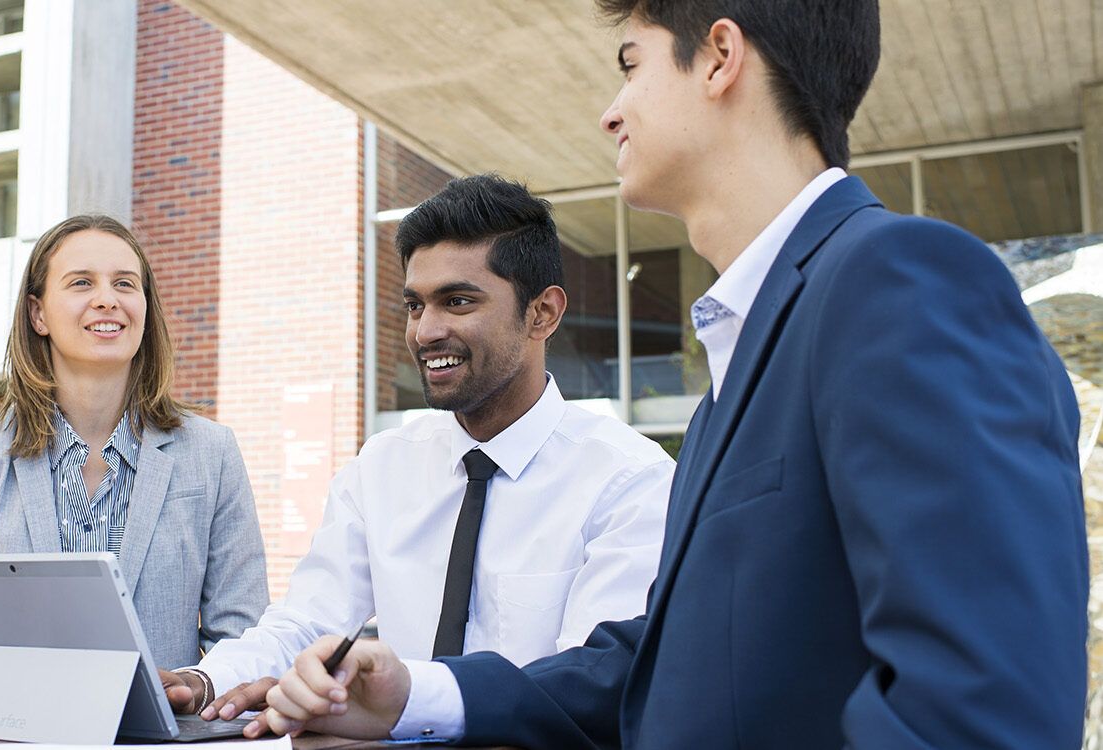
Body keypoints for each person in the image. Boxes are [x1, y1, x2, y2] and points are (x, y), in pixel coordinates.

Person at [259, 1, 1089, 747]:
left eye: (632, 63)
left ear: (721, 57)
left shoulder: (900, 280)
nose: (610, 112)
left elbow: (983, 709)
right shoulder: (746, 359)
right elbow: (653, 667)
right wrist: (417, 697)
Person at [160, 173, 675, 727]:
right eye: (414, 305)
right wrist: (205, 679)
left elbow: (591, 686)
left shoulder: (631, 481)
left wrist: (406, 703)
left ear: (542, 313)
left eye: (457, 301)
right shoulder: (381, 467)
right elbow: (310, 623)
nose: (425, 331)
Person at [0, 214, 269, 670]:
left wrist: (199, 691)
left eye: (125, 284)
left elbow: (242, 637)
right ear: (38, 314)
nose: (107, 300)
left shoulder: (212, 453)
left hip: (160, 739)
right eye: (81, 283)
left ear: (145, 308)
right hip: (15, 731)